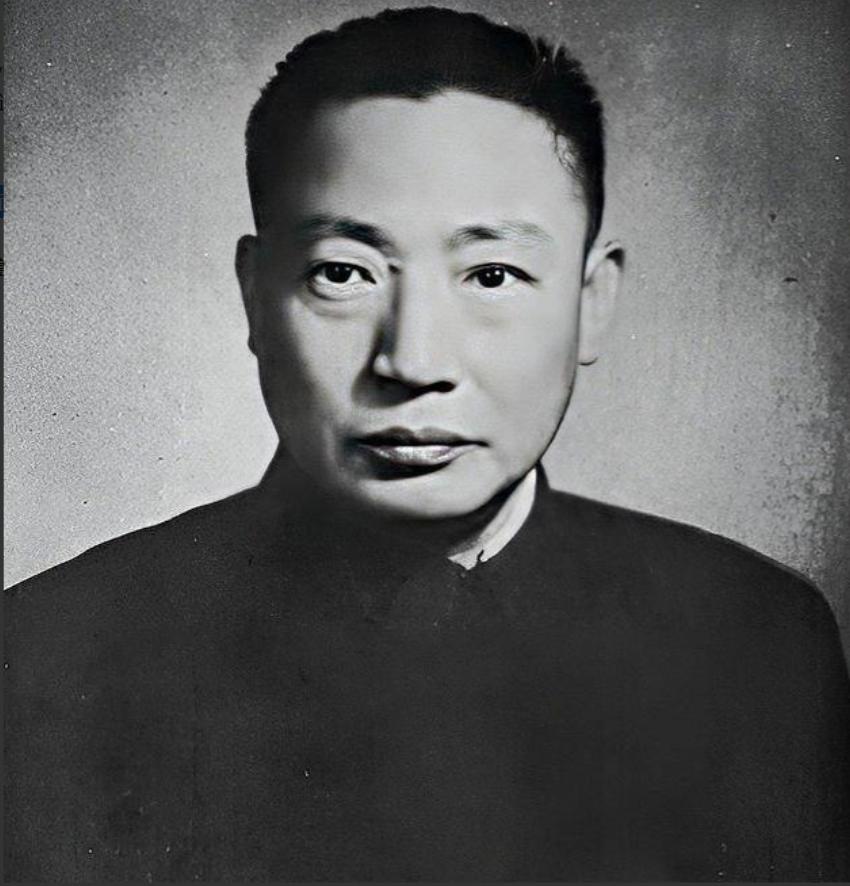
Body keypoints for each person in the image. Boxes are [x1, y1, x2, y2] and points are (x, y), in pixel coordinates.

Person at [5, 6, 849, 882]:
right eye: (343, 273)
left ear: (591, 302)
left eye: (492, 275)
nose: (413, 362)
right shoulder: (49, 652)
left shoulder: (756, 640)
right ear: (257, 298)